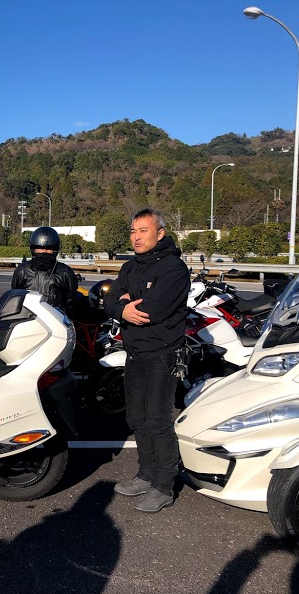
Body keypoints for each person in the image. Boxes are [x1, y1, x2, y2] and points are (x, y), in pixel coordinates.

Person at [102, 208, 190, 513]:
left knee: (157, 419)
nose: (137, 237)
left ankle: (164, 486)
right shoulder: (130, 266)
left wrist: (124, 306)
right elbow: (108, 299)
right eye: (133, 231)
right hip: (135, 352)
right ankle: (146, 473)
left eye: (144, 231)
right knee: (136, 417)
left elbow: (150, 311)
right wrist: (121, 307)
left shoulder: (174, 269)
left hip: (162, 353)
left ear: (160, 233)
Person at [11, 226, 77, 312]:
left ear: (55, 250)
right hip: (28, 317)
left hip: (55, 318)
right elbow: (14, 297)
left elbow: (70, 301)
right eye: (40, 248)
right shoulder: (22, 271)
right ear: (34, 249)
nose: (44, 251)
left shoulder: (65, 272)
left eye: (48, 249)